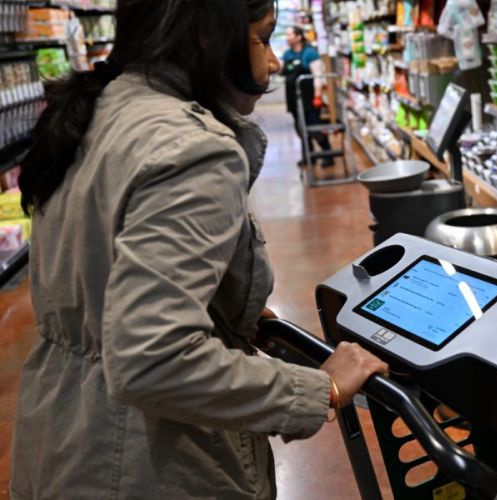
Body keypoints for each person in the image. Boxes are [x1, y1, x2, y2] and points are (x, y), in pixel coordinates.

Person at [10, 1, 389, 498]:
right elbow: (154, 360)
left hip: (62, 438)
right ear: (210, 37)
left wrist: (225, 312)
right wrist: (323, 389)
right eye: (262, 37)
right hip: (146, 464)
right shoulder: (192, 150)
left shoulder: (99, 110)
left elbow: (104, 274)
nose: (274, 62)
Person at [282, 25, 333, 168]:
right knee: (300, 127)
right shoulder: (287, 54)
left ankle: (327, 154)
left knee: (314, 125)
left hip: (308, 97)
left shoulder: (310, 53)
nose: (287, 38)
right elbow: (282, 71)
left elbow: (317, 76)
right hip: (293, 97)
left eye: (290, 34)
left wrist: (317, 96)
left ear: (298, 37)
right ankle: (309, 156)